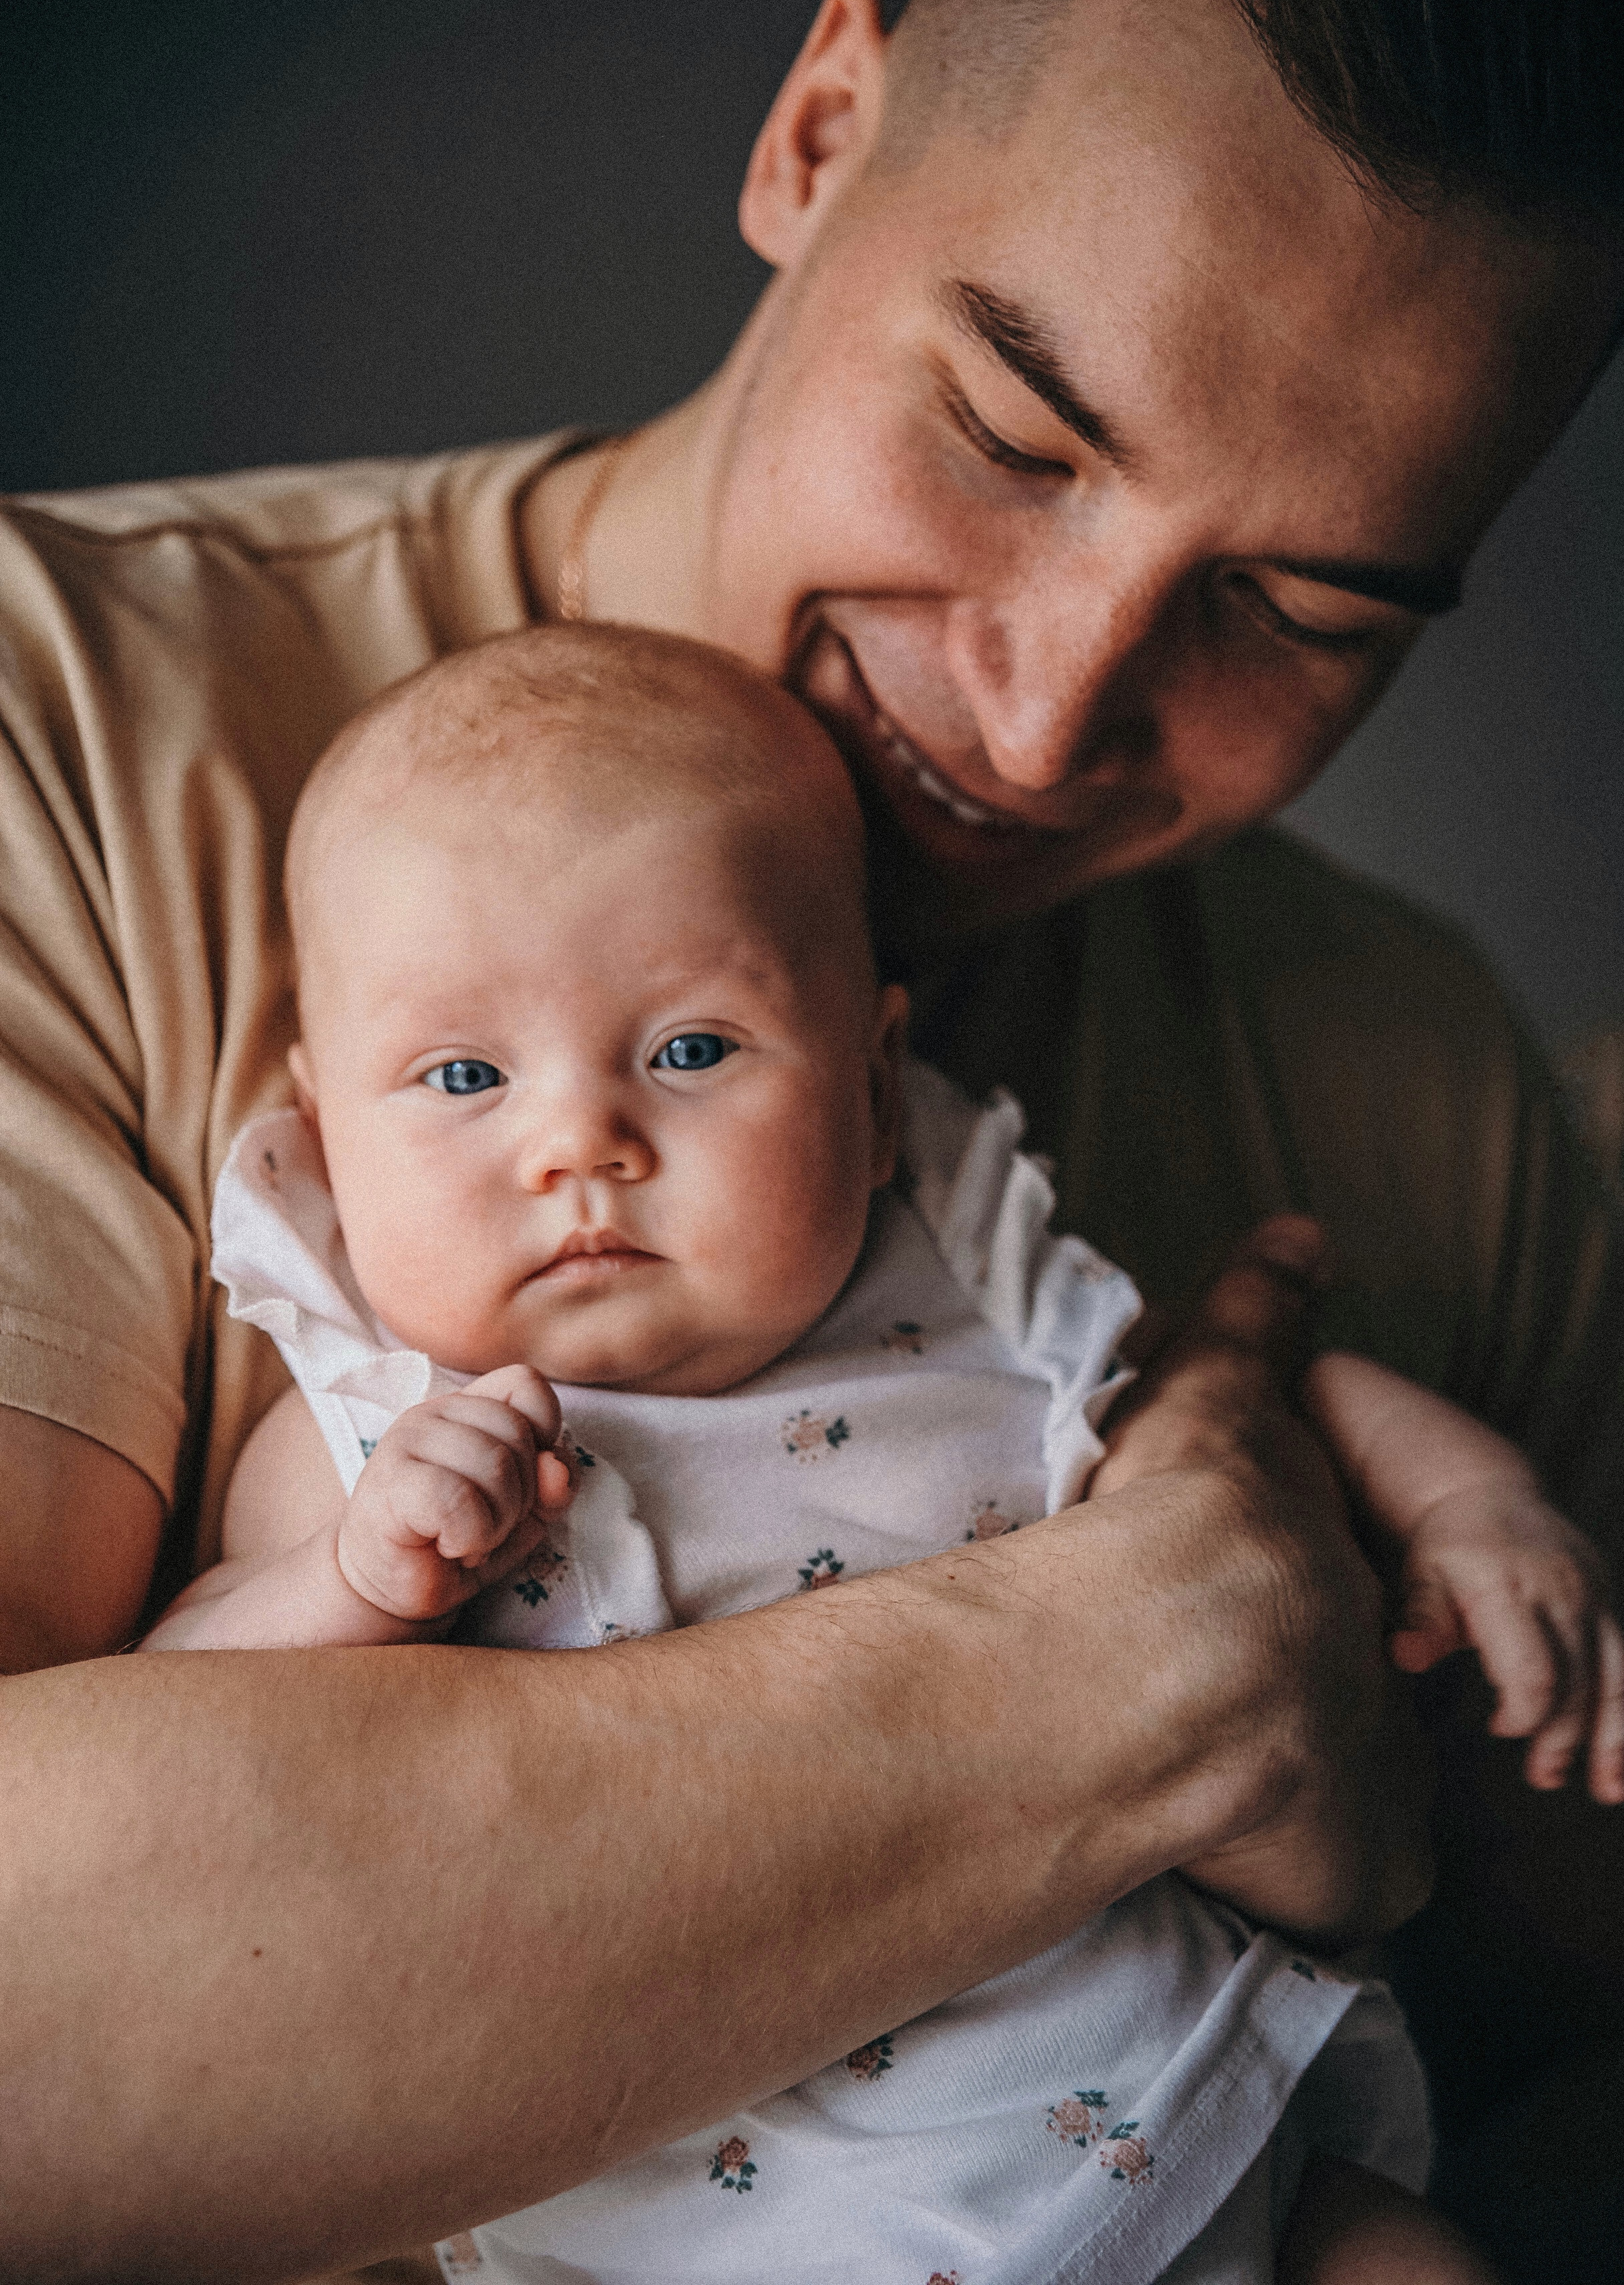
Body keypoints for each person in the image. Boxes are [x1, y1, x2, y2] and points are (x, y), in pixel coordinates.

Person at [1, 0, 1621, 2276]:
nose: (1049, 707)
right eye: (1008, 431)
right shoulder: (62, 748)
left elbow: (1548, 2055)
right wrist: (1134, 1671)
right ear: (816, 128)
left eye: (1296, 608)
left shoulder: (1420, 1090)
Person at [150, 620, 1535, 2284]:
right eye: (461, 1076)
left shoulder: (972, 1291)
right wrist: (346, 1578)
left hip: (1163, 2110)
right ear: (323, 1128)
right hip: (733, 2229)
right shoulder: (373, 1432)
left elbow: (1255, 1398)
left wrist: (1470, 1498)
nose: (578, 1140)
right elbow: (195, 1741)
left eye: (690, 1050)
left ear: (876, 1090)